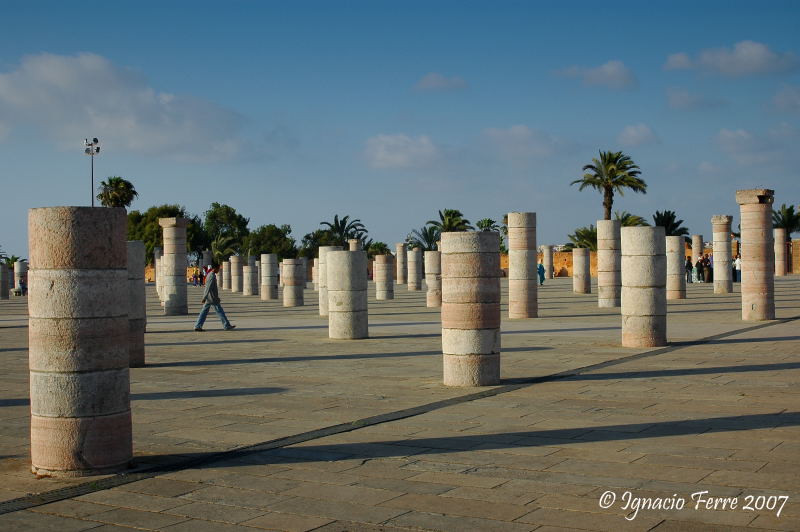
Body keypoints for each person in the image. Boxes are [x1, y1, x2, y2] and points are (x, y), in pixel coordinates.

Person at [194, 264, 235, 331]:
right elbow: (208, 287)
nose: (218, 270)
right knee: (220, 311)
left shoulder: (210, 274)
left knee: (204, 312)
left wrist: (206, 297)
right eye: (218, 269)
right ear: (215, 268)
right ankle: (226, 325)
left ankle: (198, 326)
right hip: (212, 298)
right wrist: (204, 297)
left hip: (210, 297)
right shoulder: (212, 276)